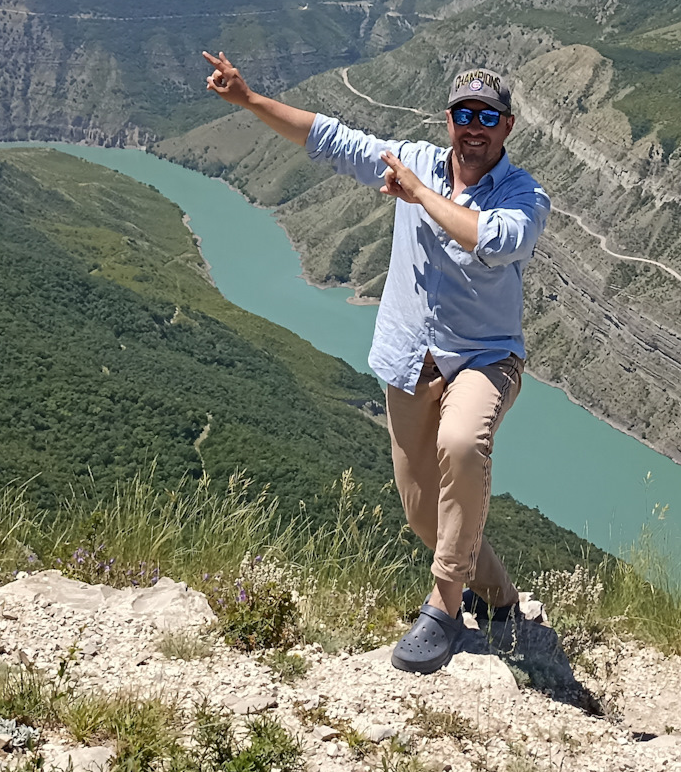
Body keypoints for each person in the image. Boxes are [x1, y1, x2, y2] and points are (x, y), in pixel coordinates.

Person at [201, 51, 551, 674]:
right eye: (464, 114)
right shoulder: (413, 161)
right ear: (448, 120)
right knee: (422, 511)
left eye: (488, 117)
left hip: (484, 359)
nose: (475, 126)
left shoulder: (524, 196)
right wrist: (251, 101)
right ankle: (497, 596)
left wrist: (417, 195)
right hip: (410, 359)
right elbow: (330, 138)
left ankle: (443, 607)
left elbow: (496, 241)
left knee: (464, 443)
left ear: (507, 128)